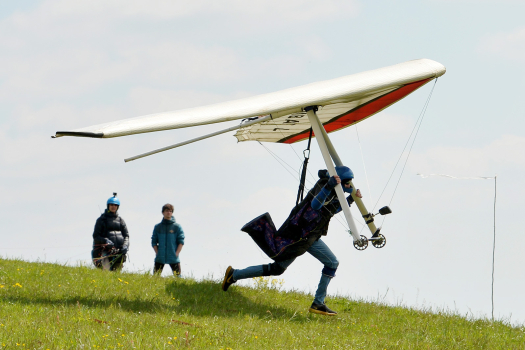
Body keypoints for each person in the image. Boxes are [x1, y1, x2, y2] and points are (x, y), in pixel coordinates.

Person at [222, 166, 362, 316]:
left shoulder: (334, 192)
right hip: (301, 236)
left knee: (278, 269)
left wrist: (350, 199)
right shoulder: (324, 186)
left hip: (308, 237)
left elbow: (332, 210)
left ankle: (234, 274)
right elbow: (316, 205)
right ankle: (318, 303)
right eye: (347, 183)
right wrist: (329, 186)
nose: (349, 185)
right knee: (332, 263)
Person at [92, 193, 129, 271]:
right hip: (104, 252)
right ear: (108, 206)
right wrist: (105, 241)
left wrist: (125, 245)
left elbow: (126, 236)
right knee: (106, 273)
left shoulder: (121, 221)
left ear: (117, 207)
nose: (113, 207)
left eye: (115, 205)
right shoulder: (101, 220)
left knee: (116, 275)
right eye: (111, 205)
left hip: (118, 252)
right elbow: (96, 236)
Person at [151, 203, 185, 276]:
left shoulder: (177, 227)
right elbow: (153, 241)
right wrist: (157, 252)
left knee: (178, 278)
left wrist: (176, 253)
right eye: (167, 211)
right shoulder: (158, 227)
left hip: (173, 256)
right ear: (163, 212)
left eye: (170, 211)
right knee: (155, 278)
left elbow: (181, 241)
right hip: (160, 257)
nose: (168, 212)